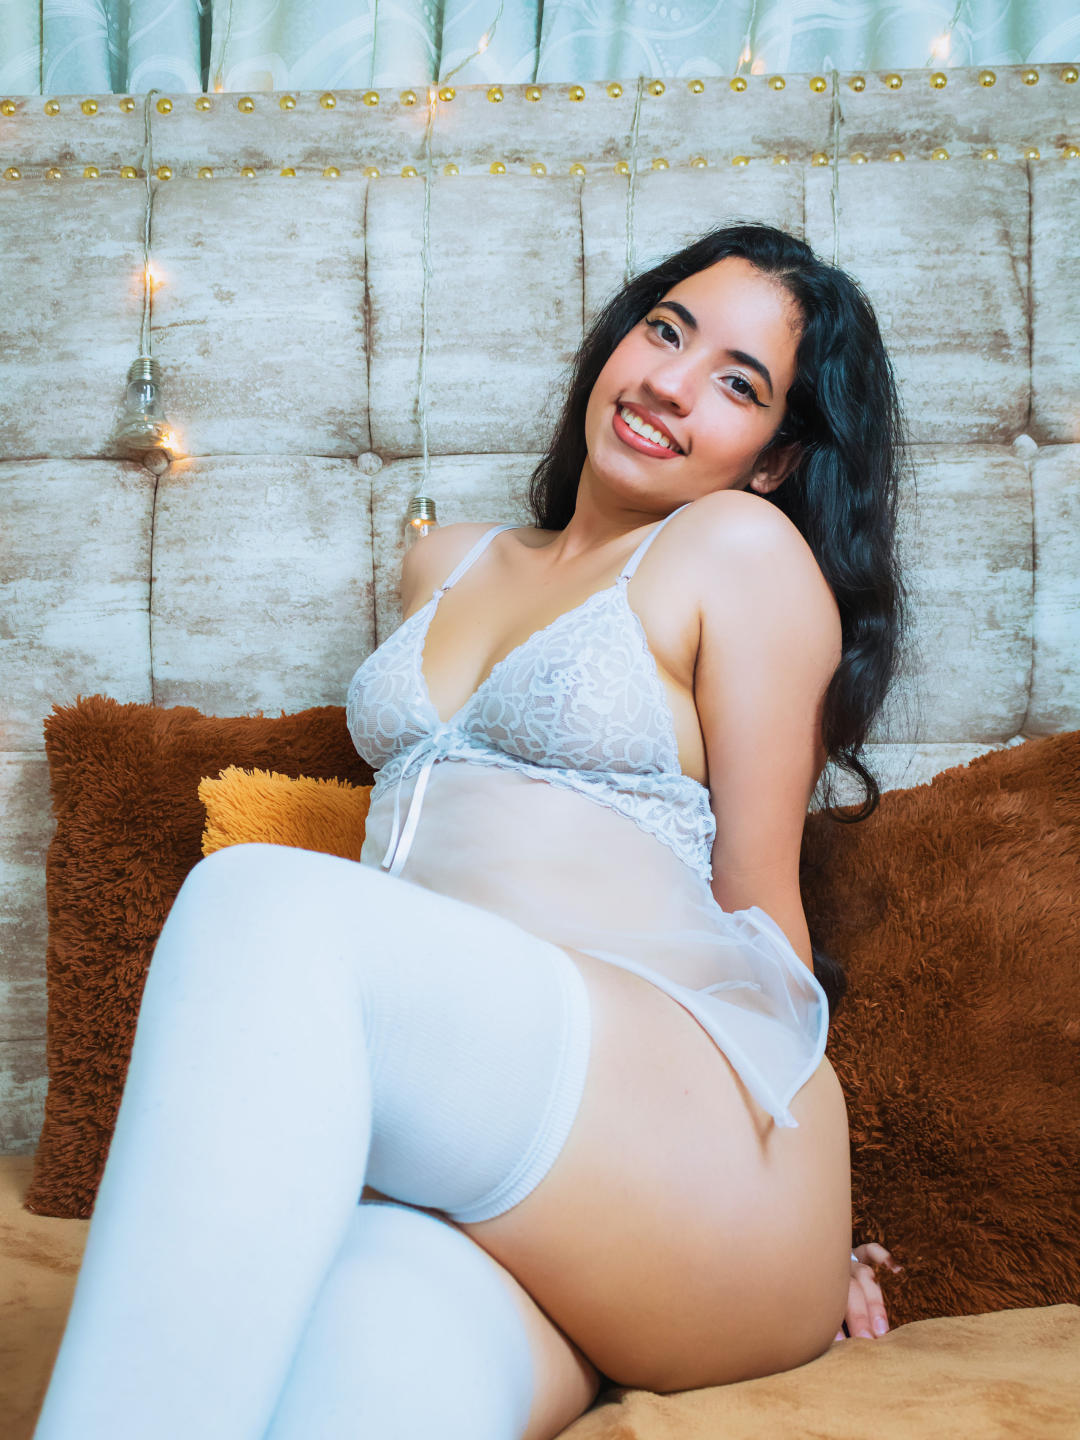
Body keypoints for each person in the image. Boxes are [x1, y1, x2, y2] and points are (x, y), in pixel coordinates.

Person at [33, 223, 905, 1440]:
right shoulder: (444, 562)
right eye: (665, 331)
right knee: (352, 1390)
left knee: (257, 902)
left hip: (687, 1146)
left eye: (737, 383)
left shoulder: (737, 548)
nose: (668, 382)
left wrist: (809, 1223)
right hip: (483, 1167)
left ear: (777, 459)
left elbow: (762, 909)